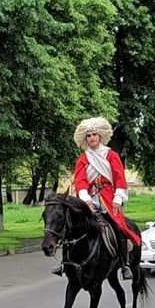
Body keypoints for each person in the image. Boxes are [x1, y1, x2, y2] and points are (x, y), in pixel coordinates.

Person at [53, 117, 141, 280]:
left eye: (94, 134)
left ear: (100, 136)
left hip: (109, 198)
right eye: (89, 135)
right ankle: (64, 263)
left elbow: (119, 178)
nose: (92, 138)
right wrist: (85, 198)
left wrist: (117, 198)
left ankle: (124, 263)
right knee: (72, 226)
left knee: (117, 226)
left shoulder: (111, 155)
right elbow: (80, 181)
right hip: (90, 198)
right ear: (86, 139)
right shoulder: (83, 159)